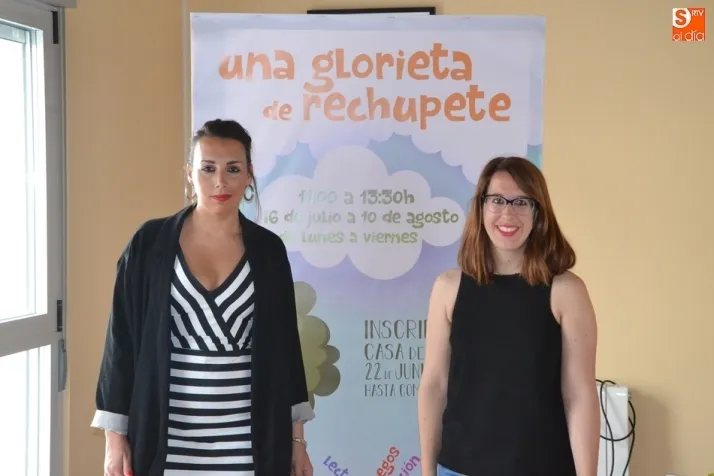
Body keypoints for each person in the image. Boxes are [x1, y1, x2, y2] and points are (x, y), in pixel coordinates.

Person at [91, 119, 315, 476]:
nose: (220, 182)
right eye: (208, 168)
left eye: (233, 169)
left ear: (249, 175)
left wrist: (297, 441)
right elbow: (121, 343)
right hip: (166, 441)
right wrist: (114, 438)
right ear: (189, 173)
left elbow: (286, 350)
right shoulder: (149, 244)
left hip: (249, 444)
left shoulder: (269, 251)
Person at [417, 156, 600, 476]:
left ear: (538, 212)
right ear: (481, 207)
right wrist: (427, 471)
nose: (508, 213)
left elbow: (579, 395)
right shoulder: (447, 288)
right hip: (459, 468)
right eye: (497, 200)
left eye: (521, 202)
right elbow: (434, 385)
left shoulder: (566, 290)